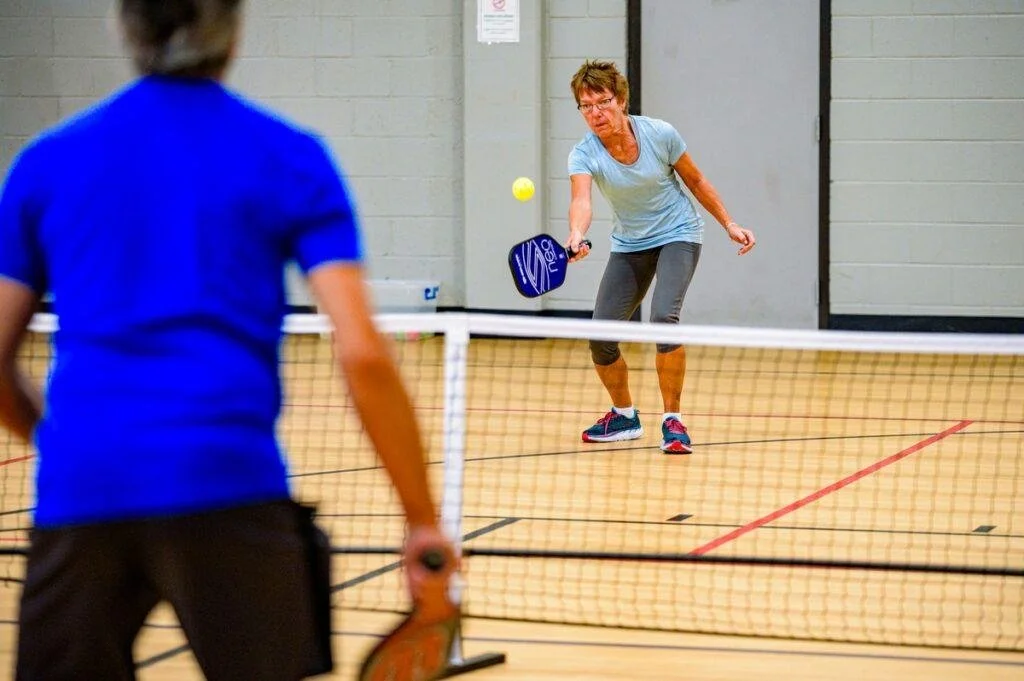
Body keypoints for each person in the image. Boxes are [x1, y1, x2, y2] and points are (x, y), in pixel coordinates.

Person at [0, 1, 454, 679]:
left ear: (123, 28)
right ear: (233, 31)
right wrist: (422, 519)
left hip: (82, 489)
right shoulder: (290, 157)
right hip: (230, 485)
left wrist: (71, 445)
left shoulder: (45, 163)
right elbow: (361, 350)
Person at [566, 60, 756, 455]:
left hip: (678, 233)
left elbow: (696, 179)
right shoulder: (584, 154)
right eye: (586, 106)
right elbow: (581, 200)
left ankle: (673, 421)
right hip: (630, 243)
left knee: (663, 319)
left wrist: (729, 223)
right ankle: (623, 416)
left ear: (620, 100)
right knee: (601, 336)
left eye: (601, 102)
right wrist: (576, 234)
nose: (595, 113)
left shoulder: (659, 134)